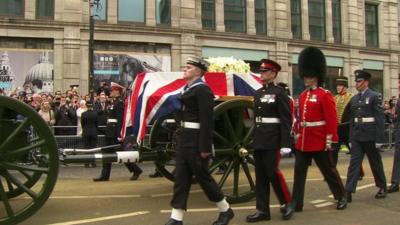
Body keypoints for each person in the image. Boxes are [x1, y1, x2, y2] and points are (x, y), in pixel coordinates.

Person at [164, 56, 234, 225]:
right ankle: (176, 217)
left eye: (188, 67)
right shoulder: (187, 89)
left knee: (203, 178)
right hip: (184, 138)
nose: (184, 69)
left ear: (197, 71)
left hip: (196, 140)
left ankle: (226, 210)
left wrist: (204, 147)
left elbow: (207, 120)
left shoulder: (202, 90)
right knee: (181, 178)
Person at [283, 47, 347, 219]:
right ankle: (297, 202)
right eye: (304, 76)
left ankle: (341, 196)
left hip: (319, 141)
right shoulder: (303, 95)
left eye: (309, 76)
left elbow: (331, 120)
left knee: (329, 172)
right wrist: (296, 132)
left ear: (316, 76)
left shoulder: (324, 95)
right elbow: (299, 117)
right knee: (299, 172)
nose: (306, 79)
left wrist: (331, 140)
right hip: (304, 141)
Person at [246, 59, 292, 223]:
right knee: (261, 177)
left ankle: (287, 202)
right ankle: (262, 210)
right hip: (260, 139)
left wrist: (286, 144)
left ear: (273, 74)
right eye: (261, 71)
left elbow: (286, 120)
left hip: (273, 139)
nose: (262, 74)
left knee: (273, 174)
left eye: (265, 71)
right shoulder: (258, 93)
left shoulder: (280, 93)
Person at [344, 70, 387, 202]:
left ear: (366, 82)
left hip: (370, 136)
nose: (356, 83)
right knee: (354, 164)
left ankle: (382, 187)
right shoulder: (354, 99)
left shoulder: (375, 96)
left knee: (375, 163)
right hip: (357, 136)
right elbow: (352, 120)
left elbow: (379, 119)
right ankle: (348, 191)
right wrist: (351, 139)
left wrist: (380, 139)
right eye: (356, 81)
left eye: (359, 81)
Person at [93, 82, 142, 181]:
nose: (110, 92)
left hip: (115, 133)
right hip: (110, 132)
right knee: (107, 152)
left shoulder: (119, 103)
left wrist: (120, 134)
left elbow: (120, 120)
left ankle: (135, 169)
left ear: (117, 91)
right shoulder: (113, 102)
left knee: (122, 154)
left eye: (112, 90)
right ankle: (105, 175)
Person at [332, 77, 365, 180]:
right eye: (337, 86)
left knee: (354, 152)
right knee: (333, 152)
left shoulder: (352, 98)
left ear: (345, 87)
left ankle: (359, 172)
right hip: (337, 128)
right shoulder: (334, 98)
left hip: (348, 129)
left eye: (340, 86)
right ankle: (332, 173)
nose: (338, 87)